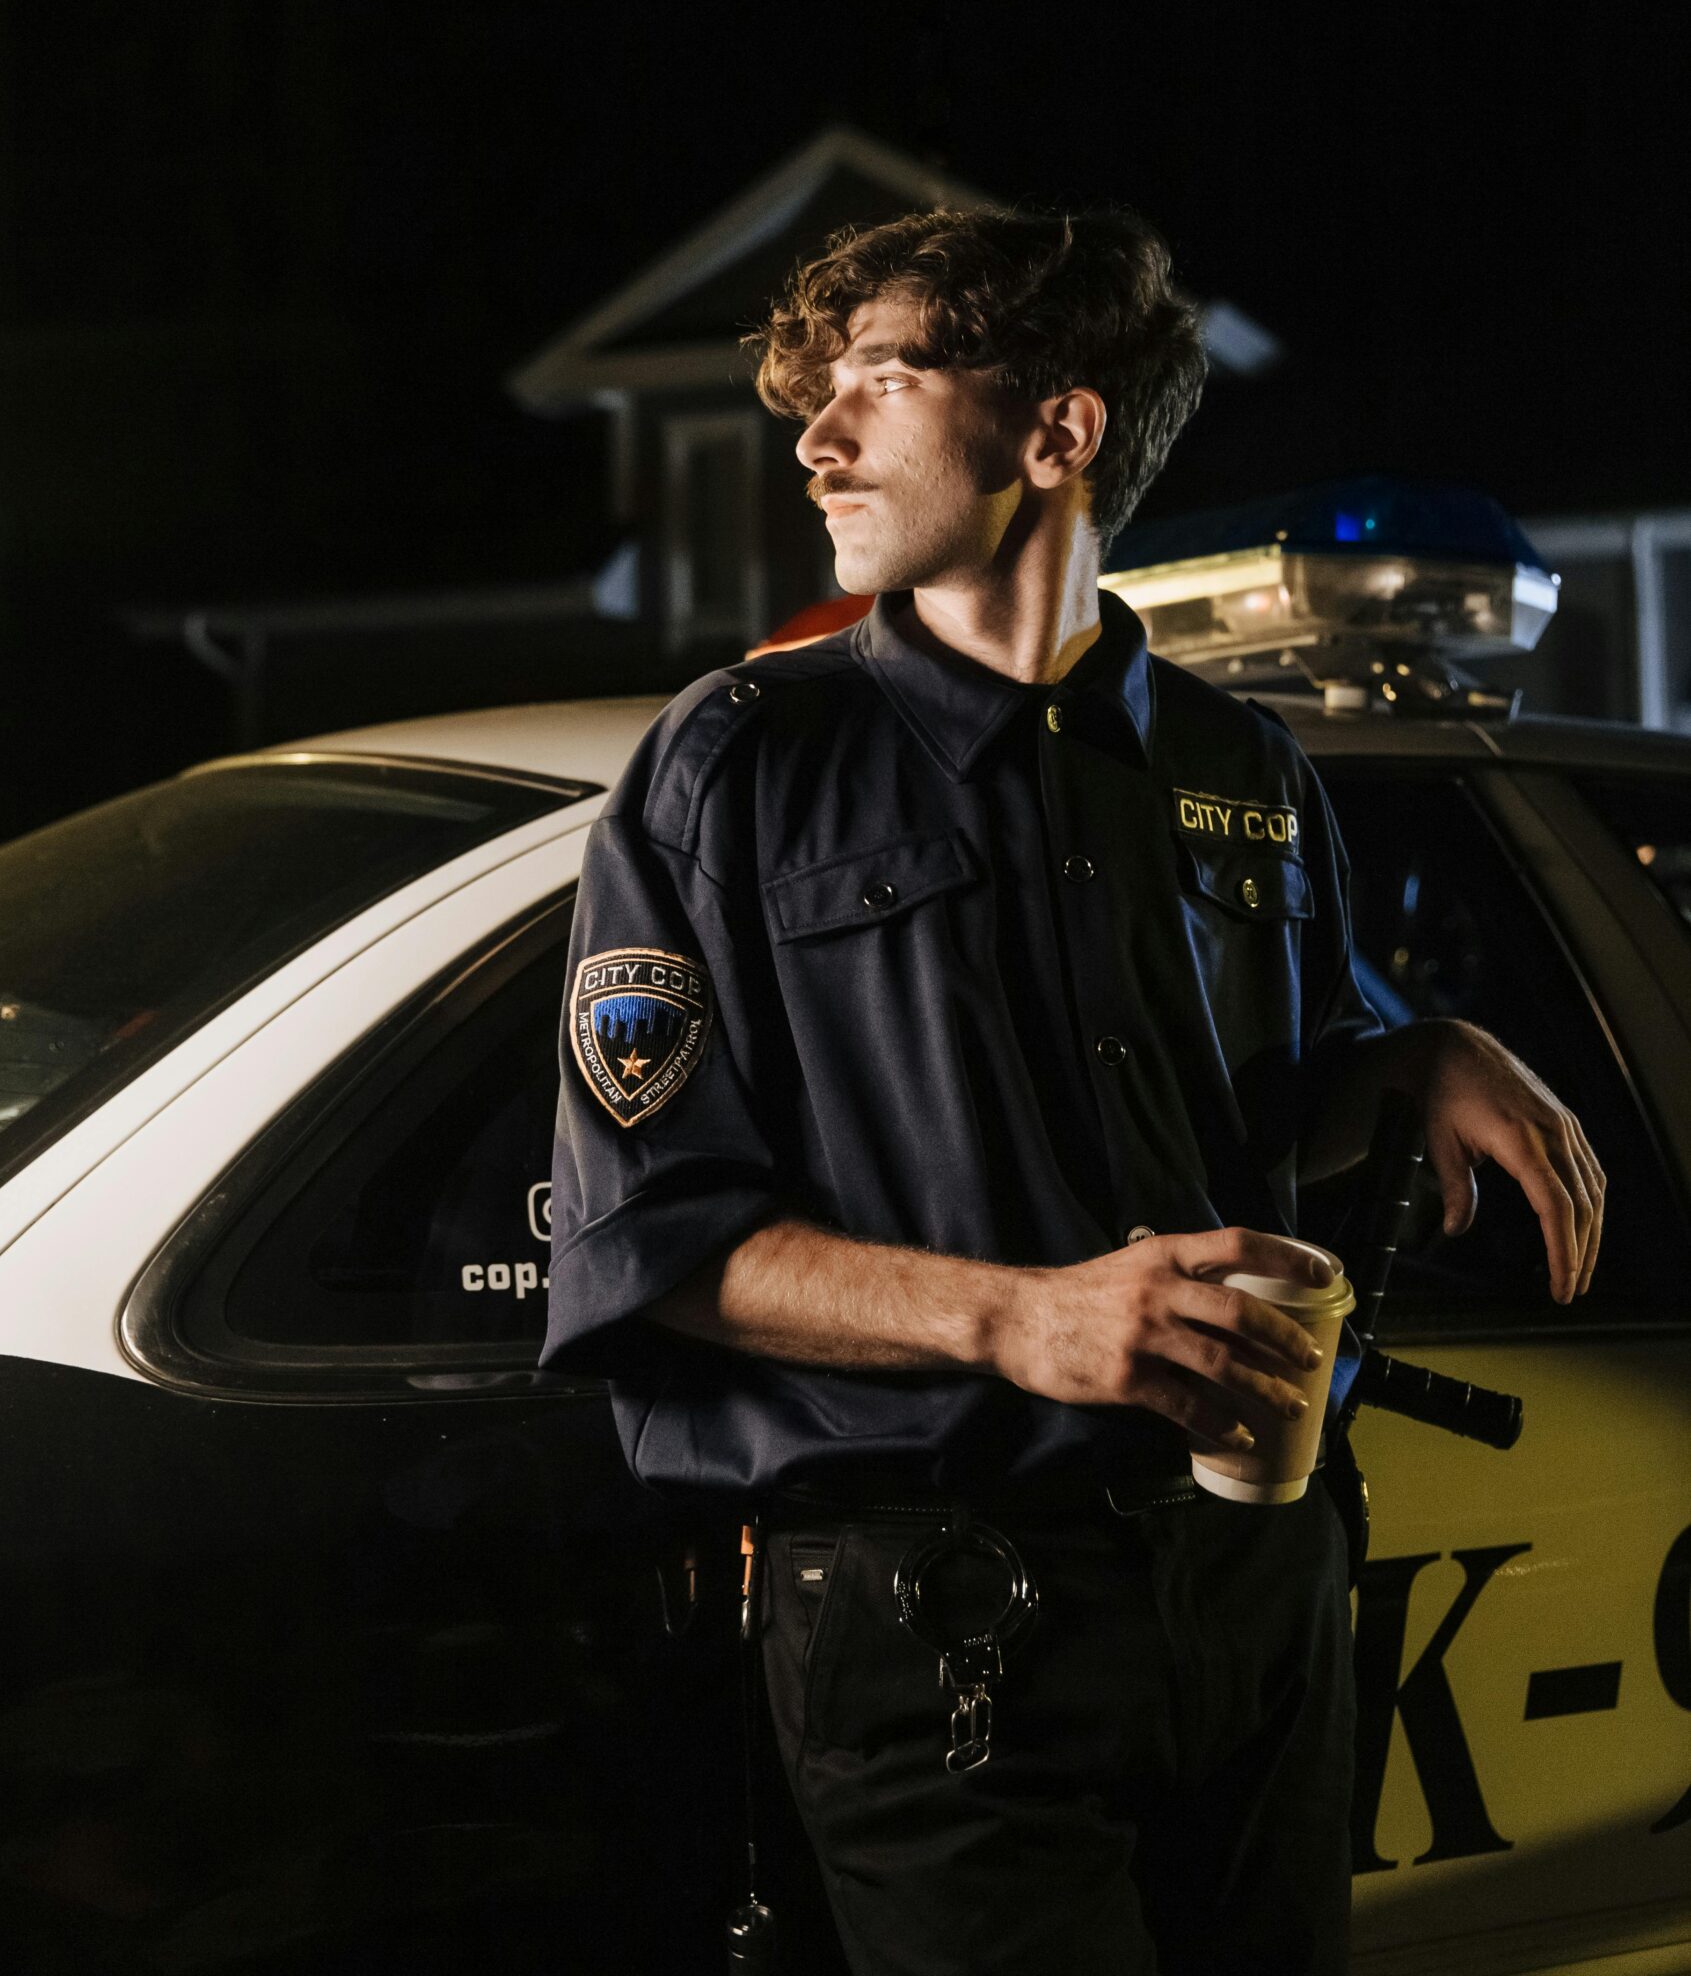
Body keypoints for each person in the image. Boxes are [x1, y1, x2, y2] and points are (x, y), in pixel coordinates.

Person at [541, 205, 1604, 1976]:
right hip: (937, 1617)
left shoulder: (1238, 763)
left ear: (1060, 429)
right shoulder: (736, 764)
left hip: (1257, 1590)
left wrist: (1412, 1059)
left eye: (881, 378)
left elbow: (1269, 1113)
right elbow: (650, 1239)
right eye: (822, 389)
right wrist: (1024, 1323)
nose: (818, 436)